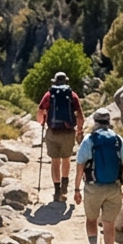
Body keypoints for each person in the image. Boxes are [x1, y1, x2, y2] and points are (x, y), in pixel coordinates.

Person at [74, 109, 123, 244]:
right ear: (109, 122)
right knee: (109, 224)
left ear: (95, 122)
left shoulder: (89, 140)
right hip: (114, 188)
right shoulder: (117, 140)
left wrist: (76, 189)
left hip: (93, 188)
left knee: (91, 220)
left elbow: (80, 166)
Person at [37, 72, 85, 206]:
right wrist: (79, 131)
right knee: (66, 159)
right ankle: (65, 186)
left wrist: (42, 123)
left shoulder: (49, 94)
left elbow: (40, 111)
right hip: (68, 133)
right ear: (66, 82)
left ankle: (57, 190)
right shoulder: (72, 95)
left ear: (55, 82)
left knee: (55, 161)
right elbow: (80, 115)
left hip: (53, 132)